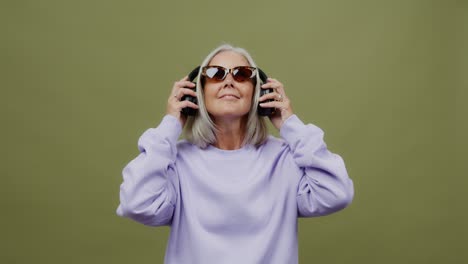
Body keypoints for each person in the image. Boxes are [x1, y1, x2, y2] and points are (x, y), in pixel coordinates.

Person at [116, 44, 354, 264]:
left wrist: (290, 124)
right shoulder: (176, 161)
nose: (228, 81)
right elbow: (137, 204)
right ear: (196, 92)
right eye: (215, 74)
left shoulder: (284, 159)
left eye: (241, 74)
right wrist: (170, 125)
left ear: (258, 93)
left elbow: (336, 193)